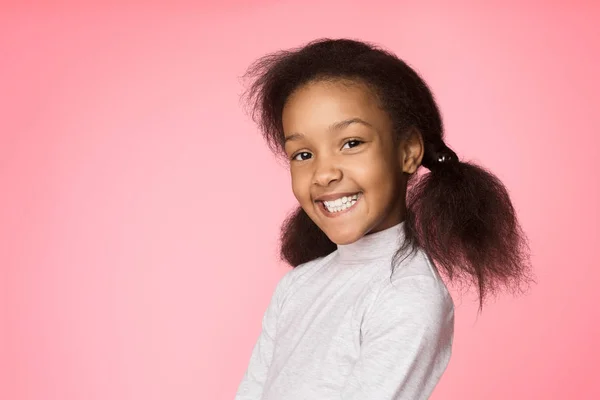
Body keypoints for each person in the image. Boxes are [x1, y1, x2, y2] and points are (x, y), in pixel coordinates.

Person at [234, 38, 532, 400]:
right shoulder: (296, 286)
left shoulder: (406, 295)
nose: (323, 173)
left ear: (408, 152)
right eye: (303, 153)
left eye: (352, 143)